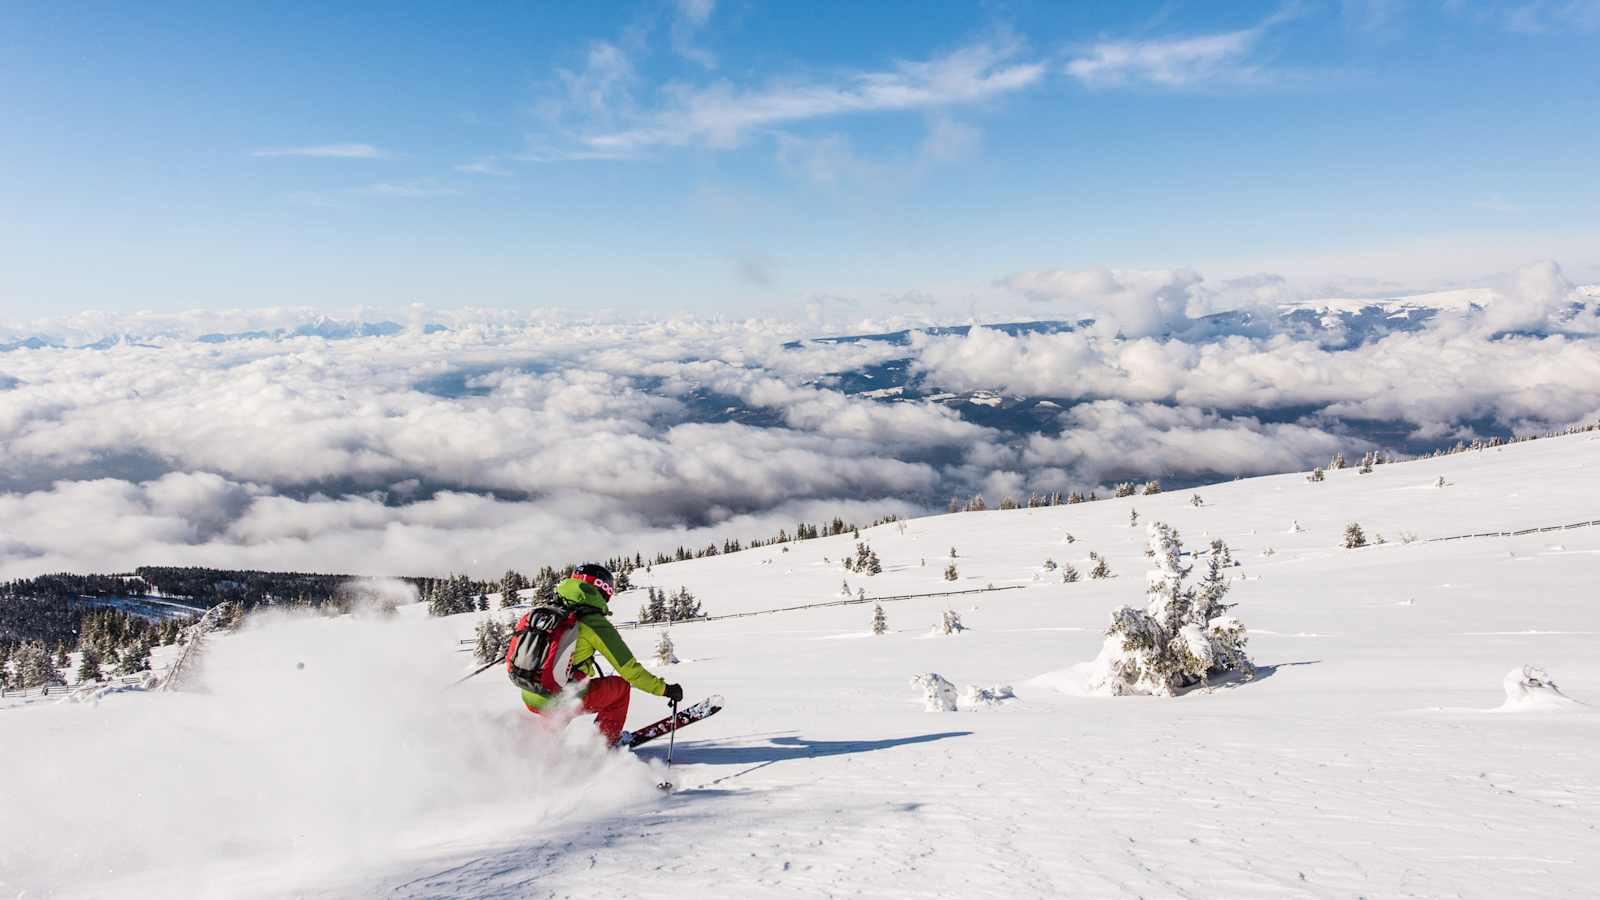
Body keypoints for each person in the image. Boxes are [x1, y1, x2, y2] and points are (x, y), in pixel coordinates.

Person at [515, 563, 683, 746]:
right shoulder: (594, 623)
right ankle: (603, 745)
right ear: (602, 589)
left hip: (530, 693)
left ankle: (542, 747)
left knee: (566, 692)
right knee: (620, 688)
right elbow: (630, 670)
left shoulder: (544, 613)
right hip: (560, 698)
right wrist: (664, 689)